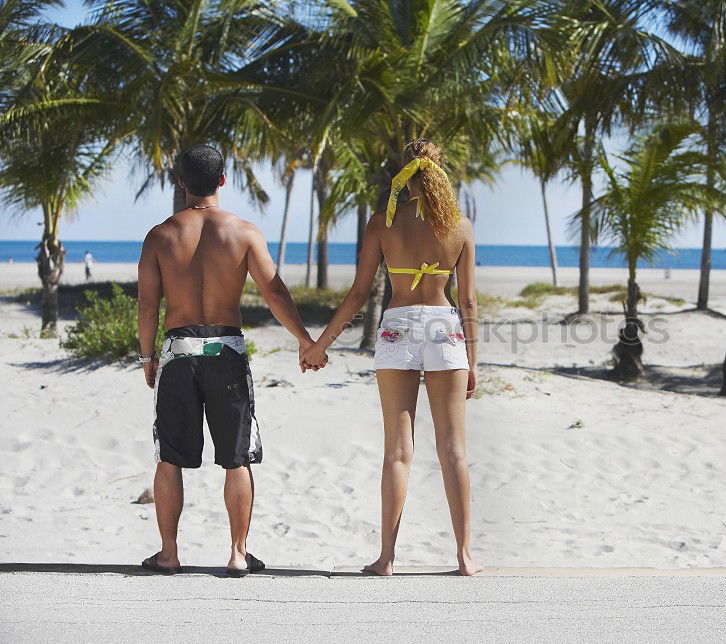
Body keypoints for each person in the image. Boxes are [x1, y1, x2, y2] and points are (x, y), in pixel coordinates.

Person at [136, 144, 326, 576]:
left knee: (169, 457)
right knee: (236, 457)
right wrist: (305, 340)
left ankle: (168, 554)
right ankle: (239, 553)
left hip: (179, 352)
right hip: (226, 351)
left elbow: (148, 305)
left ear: (181, 182)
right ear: (223, 180)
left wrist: (148, 357)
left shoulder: (160, 236)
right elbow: (274, 292)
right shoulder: (244, 233)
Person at [302, 139, 483, 576]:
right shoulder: (460, 226)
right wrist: (473, 361)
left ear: (405, 172)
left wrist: (320, 345)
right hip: (443, 327)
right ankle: (464, 557)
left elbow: (359, 293)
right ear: (439, 171)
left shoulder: (382, 223)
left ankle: (386, 557)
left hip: (398, 325)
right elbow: (470, 301)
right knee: (453, 449)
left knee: (397, 452)